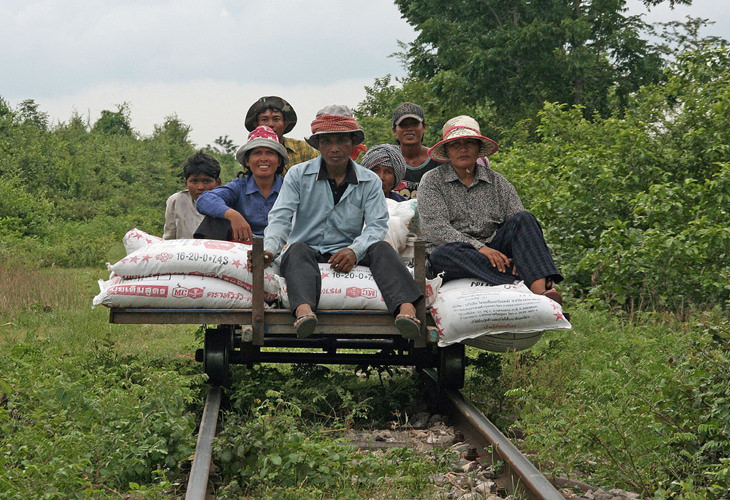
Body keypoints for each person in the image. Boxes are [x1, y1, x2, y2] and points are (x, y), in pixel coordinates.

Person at [255, 105, 423, 338]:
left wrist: (355, 250)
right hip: (309, 249)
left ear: (352, 143)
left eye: (342, 141)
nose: (334, 148)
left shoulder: (369, 181)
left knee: (382, 248)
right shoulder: (298, 175)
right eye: (327, 141)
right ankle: (304, 312)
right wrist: (269, 249)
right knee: (296, 249)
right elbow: (280, 217)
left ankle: (406, 309)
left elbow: (376, 225)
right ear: (318, 145)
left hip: (350, 251)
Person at [418, 115, 564, 304]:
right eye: (456, 144)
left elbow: (518, 225)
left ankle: (542, 294)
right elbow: (436, 229)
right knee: (440, 255)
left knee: (525, 218)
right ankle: (526, 275)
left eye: (469, 143)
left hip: (495, 249)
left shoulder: (498, 183)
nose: (463, 149)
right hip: (457, 254)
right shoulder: (432, 181)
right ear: (447, 150)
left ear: (479, 149)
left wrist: (510, 252)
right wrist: (481, 249)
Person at [196, 126, 288, 242]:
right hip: (242, 245)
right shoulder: (239, 186)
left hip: (282, 246)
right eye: (257, 153)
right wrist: (233, 215)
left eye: (269, 153)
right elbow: (204, 199)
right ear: (247, 161)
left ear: (279, 161)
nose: (263, 159)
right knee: (215, 218)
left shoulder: (289, 187)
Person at [244, 96, 318, 175]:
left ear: (285, 124)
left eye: (276, 119)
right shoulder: (251, 152)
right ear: (256, 125)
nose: (270, 124)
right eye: (264, 120)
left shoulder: (304, 149)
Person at [163, 151, 222, 239]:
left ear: (218, 183)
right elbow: (169, 239)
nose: (200, 187)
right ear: (186, 183)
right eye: (194, 181)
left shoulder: (227, 205)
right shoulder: (176, 201)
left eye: (207, 181)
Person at [391, 102, 442, 200]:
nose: (409, 129)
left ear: (424, 127)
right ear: (394, 130)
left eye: (415, 124)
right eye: (403, 125)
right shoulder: (387, 160)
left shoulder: (438, 160)